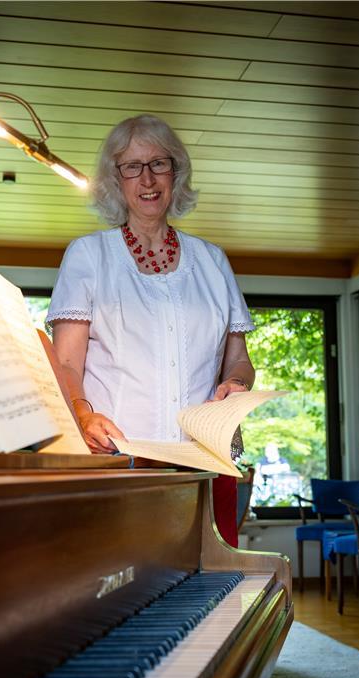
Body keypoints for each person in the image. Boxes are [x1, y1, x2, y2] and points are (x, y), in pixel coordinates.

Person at [46, 114, 256, 548]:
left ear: (175, 173)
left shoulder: (213, 261)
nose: (147, 178)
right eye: (132, 166)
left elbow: (238, 357)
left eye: (159, 163)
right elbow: (65, 362)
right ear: (114, 180)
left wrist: (235, 383)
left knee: (207, 597)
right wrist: (83, 415)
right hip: (118, 465)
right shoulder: (89, 256)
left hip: (203, 466)